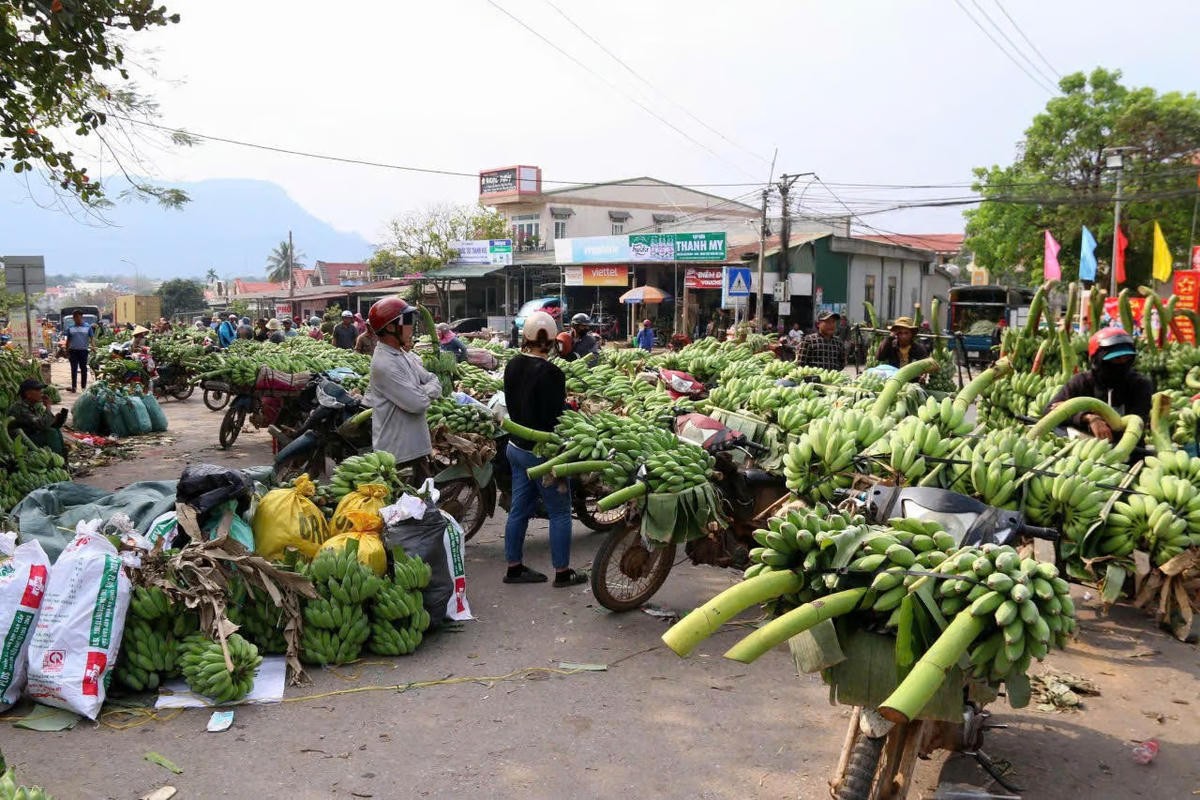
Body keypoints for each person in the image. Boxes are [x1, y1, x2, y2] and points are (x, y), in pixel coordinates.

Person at [502, 311, 585, 587]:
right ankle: (562, 573)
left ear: (525, 337)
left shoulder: (512, 364)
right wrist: (571, 411)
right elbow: (553, 419)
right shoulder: (552, 372)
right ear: (552, 341)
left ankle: (514, 568)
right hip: (541, 454)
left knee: (519, 509)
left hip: (515, 448)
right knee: (560, 511)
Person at [365, 296, 441, 483]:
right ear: (391, 328)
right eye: (407, 321)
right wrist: (426, 391)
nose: (411, 326)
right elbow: (418, 403)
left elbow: (433, 379)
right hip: (400, 455)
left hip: (414, 449)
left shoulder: (401, 354)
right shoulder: (385, 364)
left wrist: (424, 389)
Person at [1046, 327, 1153, 441]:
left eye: (1127, 358)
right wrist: (1087, 417)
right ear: (1097, 360)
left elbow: (1137, 422)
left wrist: (1068, 408)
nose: (1122, 363)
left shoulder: (1140, 385)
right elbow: (1049, 412)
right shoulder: (1081, 382)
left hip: (1126, 449)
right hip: (1082, 446)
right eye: (1116, 359)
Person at [8, 379, 67, 457]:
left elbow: (43, 423)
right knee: (51, 433)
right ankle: (58, 460)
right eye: (38, 390)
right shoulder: (19, 407)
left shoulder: (32, 406)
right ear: (28, 394)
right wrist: (48, 407)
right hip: (21, 442)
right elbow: (41, 425)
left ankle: (62, 458)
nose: (41, 392)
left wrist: (56, 420)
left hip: (31, 436)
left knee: (56, 430)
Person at [63, 310, 93, 392]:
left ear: (81, 317)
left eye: (78, 317)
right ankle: (74, 387)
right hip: (73, 351)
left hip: (83, 351)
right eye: (75, 317)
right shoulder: (71, 328)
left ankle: (83, 387)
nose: (76, 319)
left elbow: (92, 338)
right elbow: (68, 340)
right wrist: (66, 351)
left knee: (84, 369)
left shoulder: (88, 327)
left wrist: (93, 346)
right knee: (74, 369)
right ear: (73, 318)